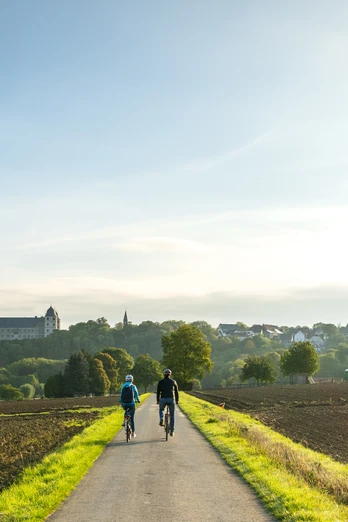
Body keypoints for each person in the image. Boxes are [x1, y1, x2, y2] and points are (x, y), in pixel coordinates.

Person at [157, 368, 179, 436]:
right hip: (171, 399)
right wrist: (177, 400)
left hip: (163, 399)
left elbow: (158, 392)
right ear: (170, 374)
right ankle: (172, 431)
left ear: (163, 374)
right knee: (172, 415)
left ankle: (161, 418)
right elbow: (176, 392)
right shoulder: (173, 381)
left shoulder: (160, 382)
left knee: (161, 409)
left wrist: (158, 400)